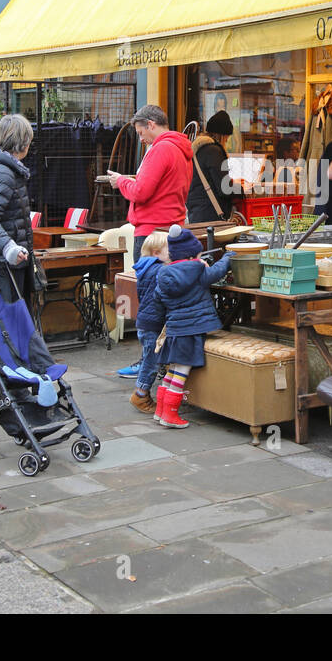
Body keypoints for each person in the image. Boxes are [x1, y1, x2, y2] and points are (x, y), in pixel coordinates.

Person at [153, 225, 233, 428]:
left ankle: (160, 411)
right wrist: (228, 257)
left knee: (171, 370)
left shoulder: (163, 274)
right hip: (191, 329)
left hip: (174, 329)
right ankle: (171, 415)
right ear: (191, 255)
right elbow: (217, 272)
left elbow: (158, 297)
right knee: (181, 371)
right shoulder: (198, 271)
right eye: (198, 254)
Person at [108, 104, 193, 259]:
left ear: (151, 125)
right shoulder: (180, 148)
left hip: (151, 234)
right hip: (173, 228)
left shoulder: (160, 149)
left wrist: (121, 181)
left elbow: (140, 192)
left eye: (141, 133)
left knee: (147, 281)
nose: (141, 139)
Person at [0, 114, 36, 296]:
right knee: (10, 322)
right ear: (24, 143)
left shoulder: (4, 170)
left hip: (7, 262)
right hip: (3, 265)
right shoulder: (3, 173)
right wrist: (9, 247)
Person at [127, 231, 170, 416]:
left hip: (145, 321)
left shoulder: (145, 268)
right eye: (170, 250)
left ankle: (144, 394)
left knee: (148, 359)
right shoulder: (159, 270)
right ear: (155, 252)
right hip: (153, 323)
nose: (173, 253)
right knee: (151, 363)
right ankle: (141, 394)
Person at [186, 111, 234, 223]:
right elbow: (224, 189)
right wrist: (241, 189)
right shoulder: (213, 151)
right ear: (222, 135)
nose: (226, 141)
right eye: (226, 137)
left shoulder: (198, 149)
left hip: (197, 212)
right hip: (210, 216)